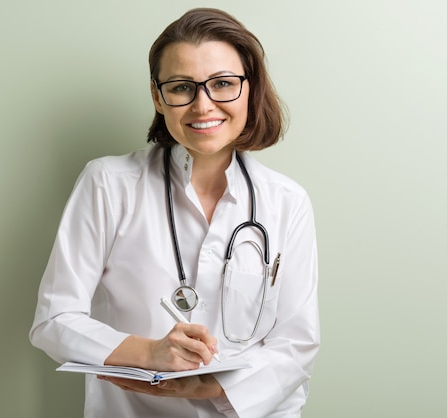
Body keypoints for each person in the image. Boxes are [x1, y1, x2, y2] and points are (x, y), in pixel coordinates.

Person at [30, 7, 320, 418]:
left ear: (250, 89)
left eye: (222, 84)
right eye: (183, 87)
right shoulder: (109, 184)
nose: (203, 106)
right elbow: (54, 320)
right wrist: (150, 352)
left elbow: (296, 344)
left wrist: (211, 386)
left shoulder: (287, 201)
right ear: (157, 96)